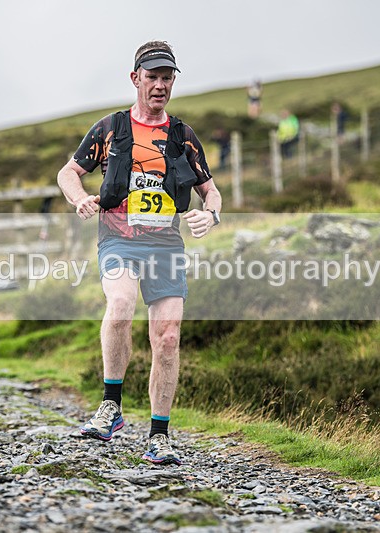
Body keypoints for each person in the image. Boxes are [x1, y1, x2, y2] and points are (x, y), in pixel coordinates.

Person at [57, 41, 222, 465]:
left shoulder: (183, 136)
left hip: (166, 244)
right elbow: (68, 172)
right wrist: (79, 198)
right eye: (152, 77)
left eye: (167, 78)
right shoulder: (111, 128)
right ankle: (111, 406)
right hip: (118, 239)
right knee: (121, 302)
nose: (160, 85)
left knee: (167, 339)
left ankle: (159, 435)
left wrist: (211, 215)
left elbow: (211, 191)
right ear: (136, 79)